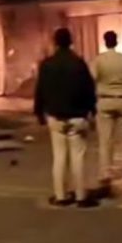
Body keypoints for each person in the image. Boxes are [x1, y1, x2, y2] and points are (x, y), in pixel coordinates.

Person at [34, 27, 99, 208]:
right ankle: (80, 196)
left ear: (55, 42)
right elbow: (89, 90)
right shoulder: (79, 64)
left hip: (56, 116)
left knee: (59, 157)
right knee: (78, 157)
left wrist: (39, 113)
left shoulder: (47, 65)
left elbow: (40, 91)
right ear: (71, 42)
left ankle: (61, 196)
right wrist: (92, 111)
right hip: (77, 116)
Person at [91, 31, 122, 194]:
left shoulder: (99, 60)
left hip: (104, 100)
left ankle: (105, 172)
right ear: (116, 42)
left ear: (105, 42)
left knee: (105, 139)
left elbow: (93, 79)